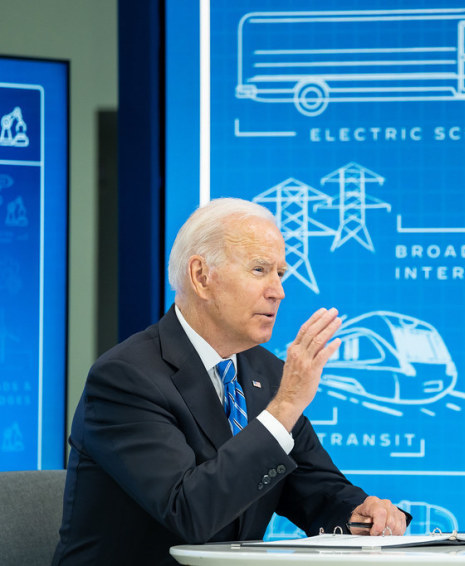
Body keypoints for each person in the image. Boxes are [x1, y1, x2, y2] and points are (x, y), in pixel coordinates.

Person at [53, 198, 409, 565]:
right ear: (201, 277)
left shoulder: (266, 373)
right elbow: (190, 512)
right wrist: (285, 406)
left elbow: (316, 492)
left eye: (280, 273)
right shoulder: (126, 378)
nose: (278, 291)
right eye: (260, 270)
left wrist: (360, 514)